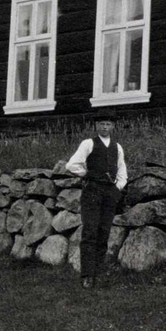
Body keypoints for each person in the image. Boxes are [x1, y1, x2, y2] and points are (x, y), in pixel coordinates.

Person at [66, 114, 128, 288]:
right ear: (96, 125)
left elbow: (122, 172)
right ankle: (87, 275)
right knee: (90, 232)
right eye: (102, 124)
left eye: (108, 124)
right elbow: (71, 165)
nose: (105, 127)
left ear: (113, 126)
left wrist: (117, 188)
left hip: (109, 194)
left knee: (104, 233)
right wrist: (87, 174)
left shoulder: (118, 147)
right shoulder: (88, 143)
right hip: (92, 192)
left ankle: (98, 272)